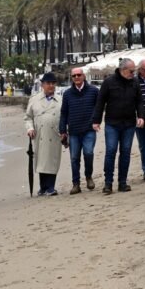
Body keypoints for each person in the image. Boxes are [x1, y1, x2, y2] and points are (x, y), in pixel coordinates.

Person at [92, 58, 145, 194]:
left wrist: (141, 116)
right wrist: (96, 120)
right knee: (111, 151)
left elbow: (139, 101)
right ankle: (108, 183)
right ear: (122, 70)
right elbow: (100, 102)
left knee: (126, 152)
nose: (133, 73)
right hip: (112, 123)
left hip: (129, 123)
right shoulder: (109, 82)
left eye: (134, 71)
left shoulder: (135, 82)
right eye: (131, 71)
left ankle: (122, 182)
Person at [59, 67, 99, 195]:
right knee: (74, 158)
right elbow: (63, 113)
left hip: (89, 129)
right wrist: (62, 131)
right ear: (71, 78)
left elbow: (99, 108)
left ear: (84, 76)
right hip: (74, 131)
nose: (76, 77)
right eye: (74, 76)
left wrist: (97, 122)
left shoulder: (93, 91)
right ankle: (76, 184)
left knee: (88, 153)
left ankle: (88, 177)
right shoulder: (67, 94)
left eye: (78, 75)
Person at [24, 72, 62, 196]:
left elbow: (65, 118)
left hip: (54, 134)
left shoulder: (60, 100)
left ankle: (51, 187)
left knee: (52, 159)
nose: (51, 86)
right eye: (48, 83)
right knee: (41, 160)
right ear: (42, 85)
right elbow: (28, 117)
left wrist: (65, 132)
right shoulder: (34, 100)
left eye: (53, 83)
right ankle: (43, 187)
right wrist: (29, 129)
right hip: (39, 135)